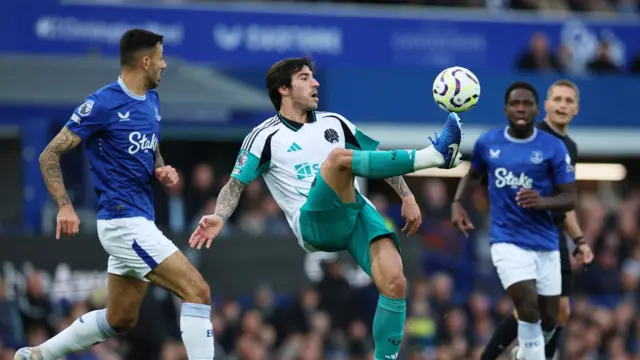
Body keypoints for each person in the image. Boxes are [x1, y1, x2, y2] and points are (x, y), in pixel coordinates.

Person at [188, 57, 463, 360]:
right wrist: (219, 215)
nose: (315, 83)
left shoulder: (335, 122)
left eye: (314, 77)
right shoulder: (263, 136)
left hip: (354, 210)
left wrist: (407, 195)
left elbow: (375, 155)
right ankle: (433, 156)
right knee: (337, 160)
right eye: (305, 78)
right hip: (315, 223)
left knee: (395, 282)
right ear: (284, 89)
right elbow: (235, 185)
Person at [16, 29, 214, 360]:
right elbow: (48, 155)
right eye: (161, 58)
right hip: (124, 222)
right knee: (198, 291)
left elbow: (151, 147)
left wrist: (160, 168)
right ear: (145, 61)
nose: (165, 65)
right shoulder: (102, 103)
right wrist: (64, 205)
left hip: (138, 220)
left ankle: (35, 356)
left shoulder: (151, 99)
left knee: (120, 318)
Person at [451, 82, 577, 360]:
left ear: (534, 108)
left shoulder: (553, 147)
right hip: (507, 240)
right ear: (506, 108)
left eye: (526, 103)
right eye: (515, 103)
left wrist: (542, 201)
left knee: (550, 319)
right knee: (527, 305)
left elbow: (570, 198)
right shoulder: (488, 143)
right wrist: (458, 203)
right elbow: (473, 175)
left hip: (546, 242)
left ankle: (523, 356)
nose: (520, 108)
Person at [479, 80, 594, 359]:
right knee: (528, 310)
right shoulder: (529, 136)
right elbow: (489, 178)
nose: (562, 105)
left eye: (569, 101)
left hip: (554, 238)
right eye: (557, 99)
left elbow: (565, 201)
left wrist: (579, 240)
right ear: (546, 105)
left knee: (560, 313)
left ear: (576, 108)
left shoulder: (569, 147)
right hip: (522, 238)